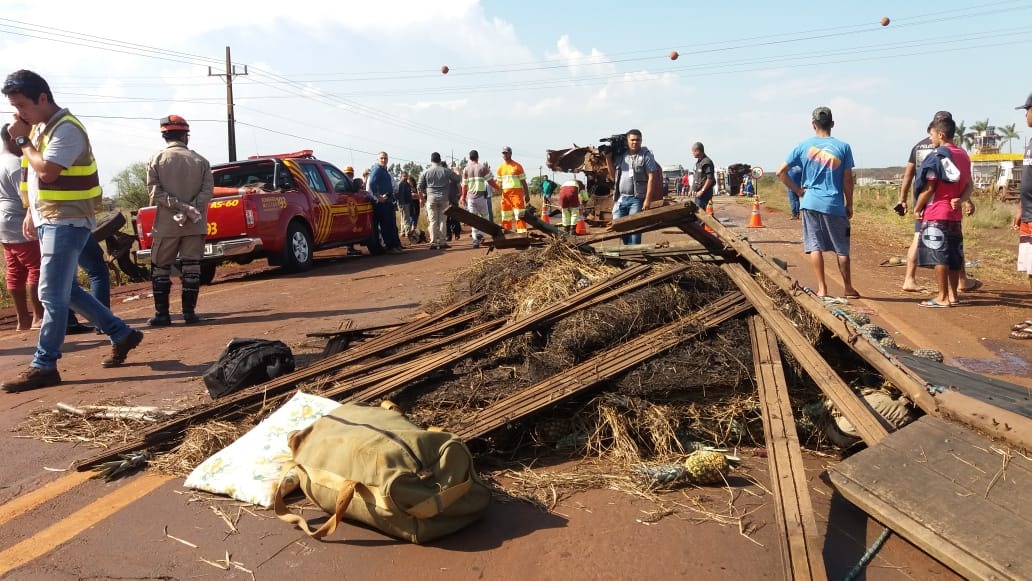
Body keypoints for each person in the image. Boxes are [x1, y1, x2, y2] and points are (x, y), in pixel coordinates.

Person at [1, 69, 143, 391]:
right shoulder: (40, 129)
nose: (19, 113)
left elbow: (47, 171)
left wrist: (21, 139)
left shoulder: (66, 130)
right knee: (64, 289)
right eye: (14, 107)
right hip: (49, 217)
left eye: (23, 105)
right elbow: (31, 175)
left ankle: (44, 364)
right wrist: (29, 209)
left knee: (50, 292)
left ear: (42, 98)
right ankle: (121, 333)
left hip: (67, 220)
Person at [776, 106, 859, 299]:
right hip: (834, 204)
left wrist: (797, 191)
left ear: (813, 125)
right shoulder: (843, 147)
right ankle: (848, 288)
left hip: (810, 203)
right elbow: (847, 180)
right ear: (832, 124)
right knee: (842, 248)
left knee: (815, 246)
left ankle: (822, 289)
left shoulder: (803, 146)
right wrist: (850, 204)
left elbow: (781, 172)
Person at [896, 111, 982, 294]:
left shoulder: (919, 147)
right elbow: (959, 180)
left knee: (923, 240)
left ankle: (911, 278)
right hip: (946, 205)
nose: (931, 135)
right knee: (951, 247)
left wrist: (905, 199)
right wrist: (966, 199)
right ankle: (958, 285)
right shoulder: (958, 152)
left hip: (929, 202)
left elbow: (910, 175)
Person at [146, 114, 214, 326]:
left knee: (160, 268)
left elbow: (154, 193)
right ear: (185, 136)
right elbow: (207, 192)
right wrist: (190, 208)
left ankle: (162, 315)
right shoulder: (201, 161)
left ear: (165, 136)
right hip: (195, 223)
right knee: (192, 266)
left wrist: (178, 206)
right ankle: (189, 314)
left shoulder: (155, 160)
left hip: (167, 225)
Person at [913, 117, 974, 308]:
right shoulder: (963, 155)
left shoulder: (938, 155)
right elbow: (969, 185)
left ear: (941, 134)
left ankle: (942, 297)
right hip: (955, 215)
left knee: (939, 255)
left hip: (936, 212)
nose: (930, 138)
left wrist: (917, 207)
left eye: (931, 134)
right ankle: (953, 295)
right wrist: (961, 199)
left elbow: (930, 187)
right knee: (955, 256)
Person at [0, 122, 43, 331]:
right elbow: (26, 196)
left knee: (15, 271)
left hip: (4, 225)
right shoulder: (16, 164)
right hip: (20, 221)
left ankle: (22, 320)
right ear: (11, 138)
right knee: (36, 268)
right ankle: (38, 317)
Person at [605, 129, 658, 245]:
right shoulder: (621, 156)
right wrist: (608, 158)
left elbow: (652, 178)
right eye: (632, 140)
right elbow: (614, 177)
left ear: (641, 141)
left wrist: (647, 200)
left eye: (638, 140)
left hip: (637, 199)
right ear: (627, 141)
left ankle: (634, 256)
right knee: (620, 227)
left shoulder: (646, 156)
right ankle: (628, 252)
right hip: (621, 198)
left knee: (634, 228)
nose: (635, 142)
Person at [1010, 92, 1032, 339]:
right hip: (1027, 214)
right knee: (1030, 269)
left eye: (1027, 109)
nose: (1025, 114)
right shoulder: (1031, 141)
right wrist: (1020, 207)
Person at [417, 152, 461, 249]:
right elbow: (458, 179)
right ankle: (442, 242)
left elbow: (419, 187)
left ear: (431, 160)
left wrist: (421, 199)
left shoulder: (426, 172)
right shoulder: (446, 171)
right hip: (444, 199)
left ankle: (433, 243)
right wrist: (457, 171)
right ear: (440, 160)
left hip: (431, 199)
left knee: (432, 221)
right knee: (442, 221)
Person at [369, 151, 403, 255]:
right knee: (386, 225)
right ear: (378, 159)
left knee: (391, 224)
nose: (384, 160)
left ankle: (395, 245)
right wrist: (378, 196)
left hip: (388, 201)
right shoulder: (377, 170)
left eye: (385, 158)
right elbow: (371, 183)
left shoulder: (385, 171)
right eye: (381, 158)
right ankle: (390, 246)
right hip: (382, 203)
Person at [461, 149, 495, 248]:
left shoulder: (466, 169)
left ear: (470, 158)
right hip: (481, 197)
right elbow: (490, 181)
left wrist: (463, 197)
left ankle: (475, 240)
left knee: (473, 219)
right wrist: (498, 188)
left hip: (470, 198)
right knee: (485, 216)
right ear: (478, 157)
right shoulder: (483, 168)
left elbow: (464, 185)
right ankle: (481, 233)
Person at [497, 146, 530, 232]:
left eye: (506, 153)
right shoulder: (500, 168)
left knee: (520, 214)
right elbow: (499, 184)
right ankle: (507, 232)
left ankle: (522, 232)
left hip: (517, 194)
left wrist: (527, 195)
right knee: (505, 215)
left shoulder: (517, 166)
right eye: (503, 153)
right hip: (505, 195)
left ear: (510, 154)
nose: (504, 155)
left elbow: (524, 182)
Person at [342, 165, 363, 256]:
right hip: (346, 207)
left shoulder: (350, 183)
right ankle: (350, 248)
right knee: (349, 225)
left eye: (350, 174)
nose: (349, 175)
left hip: (350, 206)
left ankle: (350, 247)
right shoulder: (343, 183)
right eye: (347, 173)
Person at [690, 142, 716, 211]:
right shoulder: (699, 162)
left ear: (698, 151)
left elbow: (710, 178)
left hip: (704, 195)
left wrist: (702, 191)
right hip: (698, 194)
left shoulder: (707, 162)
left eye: (693, 151)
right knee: (698, 213)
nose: (692, 153)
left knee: (702, 214)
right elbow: (697, 177)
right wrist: (692, 189)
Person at [396, 170, 415, 238]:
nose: (405, 177)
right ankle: (407, 232)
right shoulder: (401, 184)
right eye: (404, 176)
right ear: (401, 176)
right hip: (403, 204)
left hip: (406, 203)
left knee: (403, 218)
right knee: (406, 218)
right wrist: (401, 204)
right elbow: (399, 195)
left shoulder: (406, 184)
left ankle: (403, 231)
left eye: (406, 176)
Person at [445, 165, 462, 241]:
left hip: (453, 200)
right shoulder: (443, 177)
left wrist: (460, 193)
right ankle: (448, 235)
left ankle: (457, 233)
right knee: (447, 219)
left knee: (455, 217)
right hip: (445, 201)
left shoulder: (453, 176)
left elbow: (459, 183)